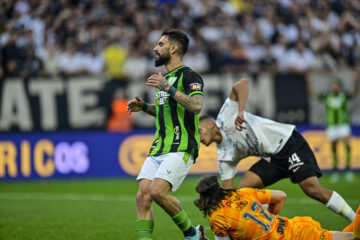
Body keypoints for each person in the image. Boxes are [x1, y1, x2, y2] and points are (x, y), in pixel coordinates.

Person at [198, 78, 355, 222]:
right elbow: (230, 194)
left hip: (289, 143)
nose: (199, 138)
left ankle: (355, 221)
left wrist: (240, 111)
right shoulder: (224, 156)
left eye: (199, 131)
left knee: (312, 190)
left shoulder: (226, 115)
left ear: (211, 125)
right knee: (241, 192)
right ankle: (268, 223)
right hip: (272, 157)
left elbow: (242, 84)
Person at [127, 29, 206, 240]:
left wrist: (168, 88)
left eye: (160, 44)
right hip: (160, 146)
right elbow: (165, 109)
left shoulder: (190, 76)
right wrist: (144, 107)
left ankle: (192, 234)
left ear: (174, 48)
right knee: (143, 196)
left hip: (181, 146)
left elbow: (196, 106)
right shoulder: (166, 78)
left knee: (157, 192)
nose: (155, 48)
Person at [194, 175, 360, 240]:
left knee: (353, 237)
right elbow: (281, 195)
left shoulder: (217, 217)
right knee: (349, 237)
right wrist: (268, 217)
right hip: (294, 227)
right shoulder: (243, 192)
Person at [307, 75, 359, 182]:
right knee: (333, 147)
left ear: (339, 86)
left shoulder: (344, 95)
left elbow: (354, 93)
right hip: (332, 126)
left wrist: (356, 81)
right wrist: (308, 83)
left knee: (346, 144)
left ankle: (348, 169)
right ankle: (335, 170)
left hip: (343, 125)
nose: (334, 87)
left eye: (336, 85)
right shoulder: (327, 96)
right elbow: (312, 94)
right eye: (333, 85)